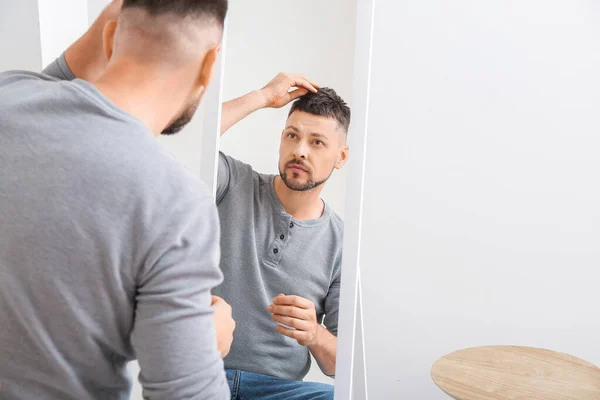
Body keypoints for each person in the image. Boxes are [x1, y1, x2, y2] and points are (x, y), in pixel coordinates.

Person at [0, 1, 234, 399]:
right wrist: (207, 345)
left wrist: (120, 23)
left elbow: (61, 79)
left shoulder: (10, 94)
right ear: (210, 66)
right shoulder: (178, 204)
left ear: (109, 33)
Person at [214, 74, 351, 399]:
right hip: (205, 372)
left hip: (276, 391)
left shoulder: (341, 243)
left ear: (341, 157)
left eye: (317, 142)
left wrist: (314, 334)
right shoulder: (232, 181)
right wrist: (260, 96)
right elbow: (185, 142)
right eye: (292, 136)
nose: (300, 151)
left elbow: (340, 365)